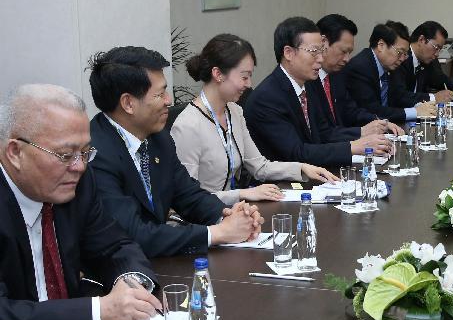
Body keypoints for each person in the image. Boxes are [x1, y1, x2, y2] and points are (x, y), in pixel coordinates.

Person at [0, 84, 162, 320]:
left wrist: (130, 285)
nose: (79, 166)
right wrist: (100, 311)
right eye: (65, 155)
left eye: (86, 152)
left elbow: (115, 246)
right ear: (15, 152)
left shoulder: (78, 182)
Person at [88, 47, 263, 258]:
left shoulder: (158, 138)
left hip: (161, 262)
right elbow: (133, 234)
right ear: (128, 103)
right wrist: (216, 233)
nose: (169, 100)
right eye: (160, 94)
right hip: (119, 275)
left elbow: (188, 195)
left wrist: (227, 216)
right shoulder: (95, 154)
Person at [170, 33, 337, 205]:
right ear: (218, 74)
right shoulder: (188, 125)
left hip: (234, 212)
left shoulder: (235, 112)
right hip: (205, 222)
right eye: (244, 77)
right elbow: (188, 199)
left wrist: (302, 168)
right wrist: (242, 194)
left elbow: (259, 167)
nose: (249, 84)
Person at [243, 17, 392, 167]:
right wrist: (354, 147)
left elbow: (324, 133)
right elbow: (296, 153)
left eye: (321, 51)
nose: (321, 59)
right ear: (288, 53)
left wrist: (361, 138)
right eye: (314, 52)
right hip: (281, 184)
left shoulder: (308, 85)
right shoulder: (267, 97)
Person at [307, 14, 404, 137]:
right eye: (343, 51)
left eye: (349, 53)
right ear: (323, 43)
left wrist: (380, 123)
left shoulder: (336, 75)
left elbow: (351, 111)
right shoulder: (307, 79)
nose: (347, 59)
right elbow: (322, 133)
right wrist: (361, 132)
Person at [344, 21, 437, 123]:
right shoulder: (361, 67)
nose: (402, 59)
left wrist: (420, 106)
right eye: (400, 52)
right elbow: (373, 110)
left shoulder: (388, 66)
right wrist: (415, 112)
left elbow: (397, 97)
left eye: (405, 54)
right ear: (381, 45)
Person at [392, 20, 453, 105]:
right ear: (421, 40)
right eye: (436, 47)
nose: (437, 54)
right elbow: (400, 97)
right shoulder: (401, 58)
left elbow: (441, 79)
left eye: (440, 50)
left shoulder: (427, 59)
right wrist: (434, 97)